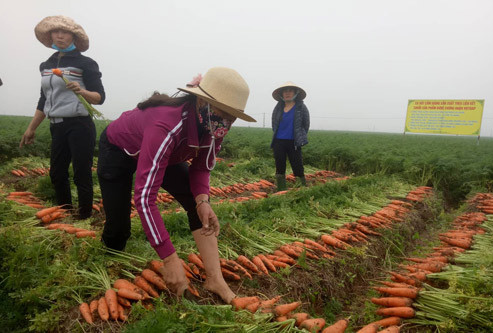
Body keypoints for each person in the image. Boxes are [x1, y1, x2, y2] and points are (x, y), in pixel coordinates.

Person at [97, 67, 256, 303]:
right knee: (118, 228)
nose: (226, 122)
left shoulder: (214, 127)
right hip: (119, 150)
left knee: (197, 203)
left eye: (232, 117)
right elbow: (144, 197)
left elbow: (201, 167)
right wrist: (169, 259)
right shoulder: (167, 124)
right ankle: (109, 267)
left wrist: (202, 201)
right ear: (202, 101)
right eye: (223, 113)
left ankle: (215, 279)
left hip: (166, 153)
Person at [20, 16, 105, 219]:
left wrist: (82, 92)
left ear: (73, 36)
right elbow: (44, 100)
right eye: (55, 32)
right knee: (57, 173)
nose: (59, 35)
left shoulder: (85, 63)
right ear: (50, 36)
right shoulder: (46, 65)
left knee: (81, 173)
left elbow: (100, 97)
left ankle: (84, 215)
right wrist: (31, 128)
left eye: (64, 32)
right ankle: (65, 212)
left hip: (79, 125)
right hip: (56, 125)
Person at [270, 82, 310, 190]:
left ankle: (302, 189)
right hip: (279, 141)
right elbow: (274, 123)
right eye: (285, 91)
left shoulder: (301, 107)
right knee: (280, 167)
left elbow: (306, 124)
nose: (287, 93)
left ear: (295, 93)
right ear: (282, 94)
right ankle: (281, 190)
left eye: (290, 90)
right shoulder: (278, 107)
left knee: (297, 166)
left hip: (294, 142)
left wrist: (300, 136)